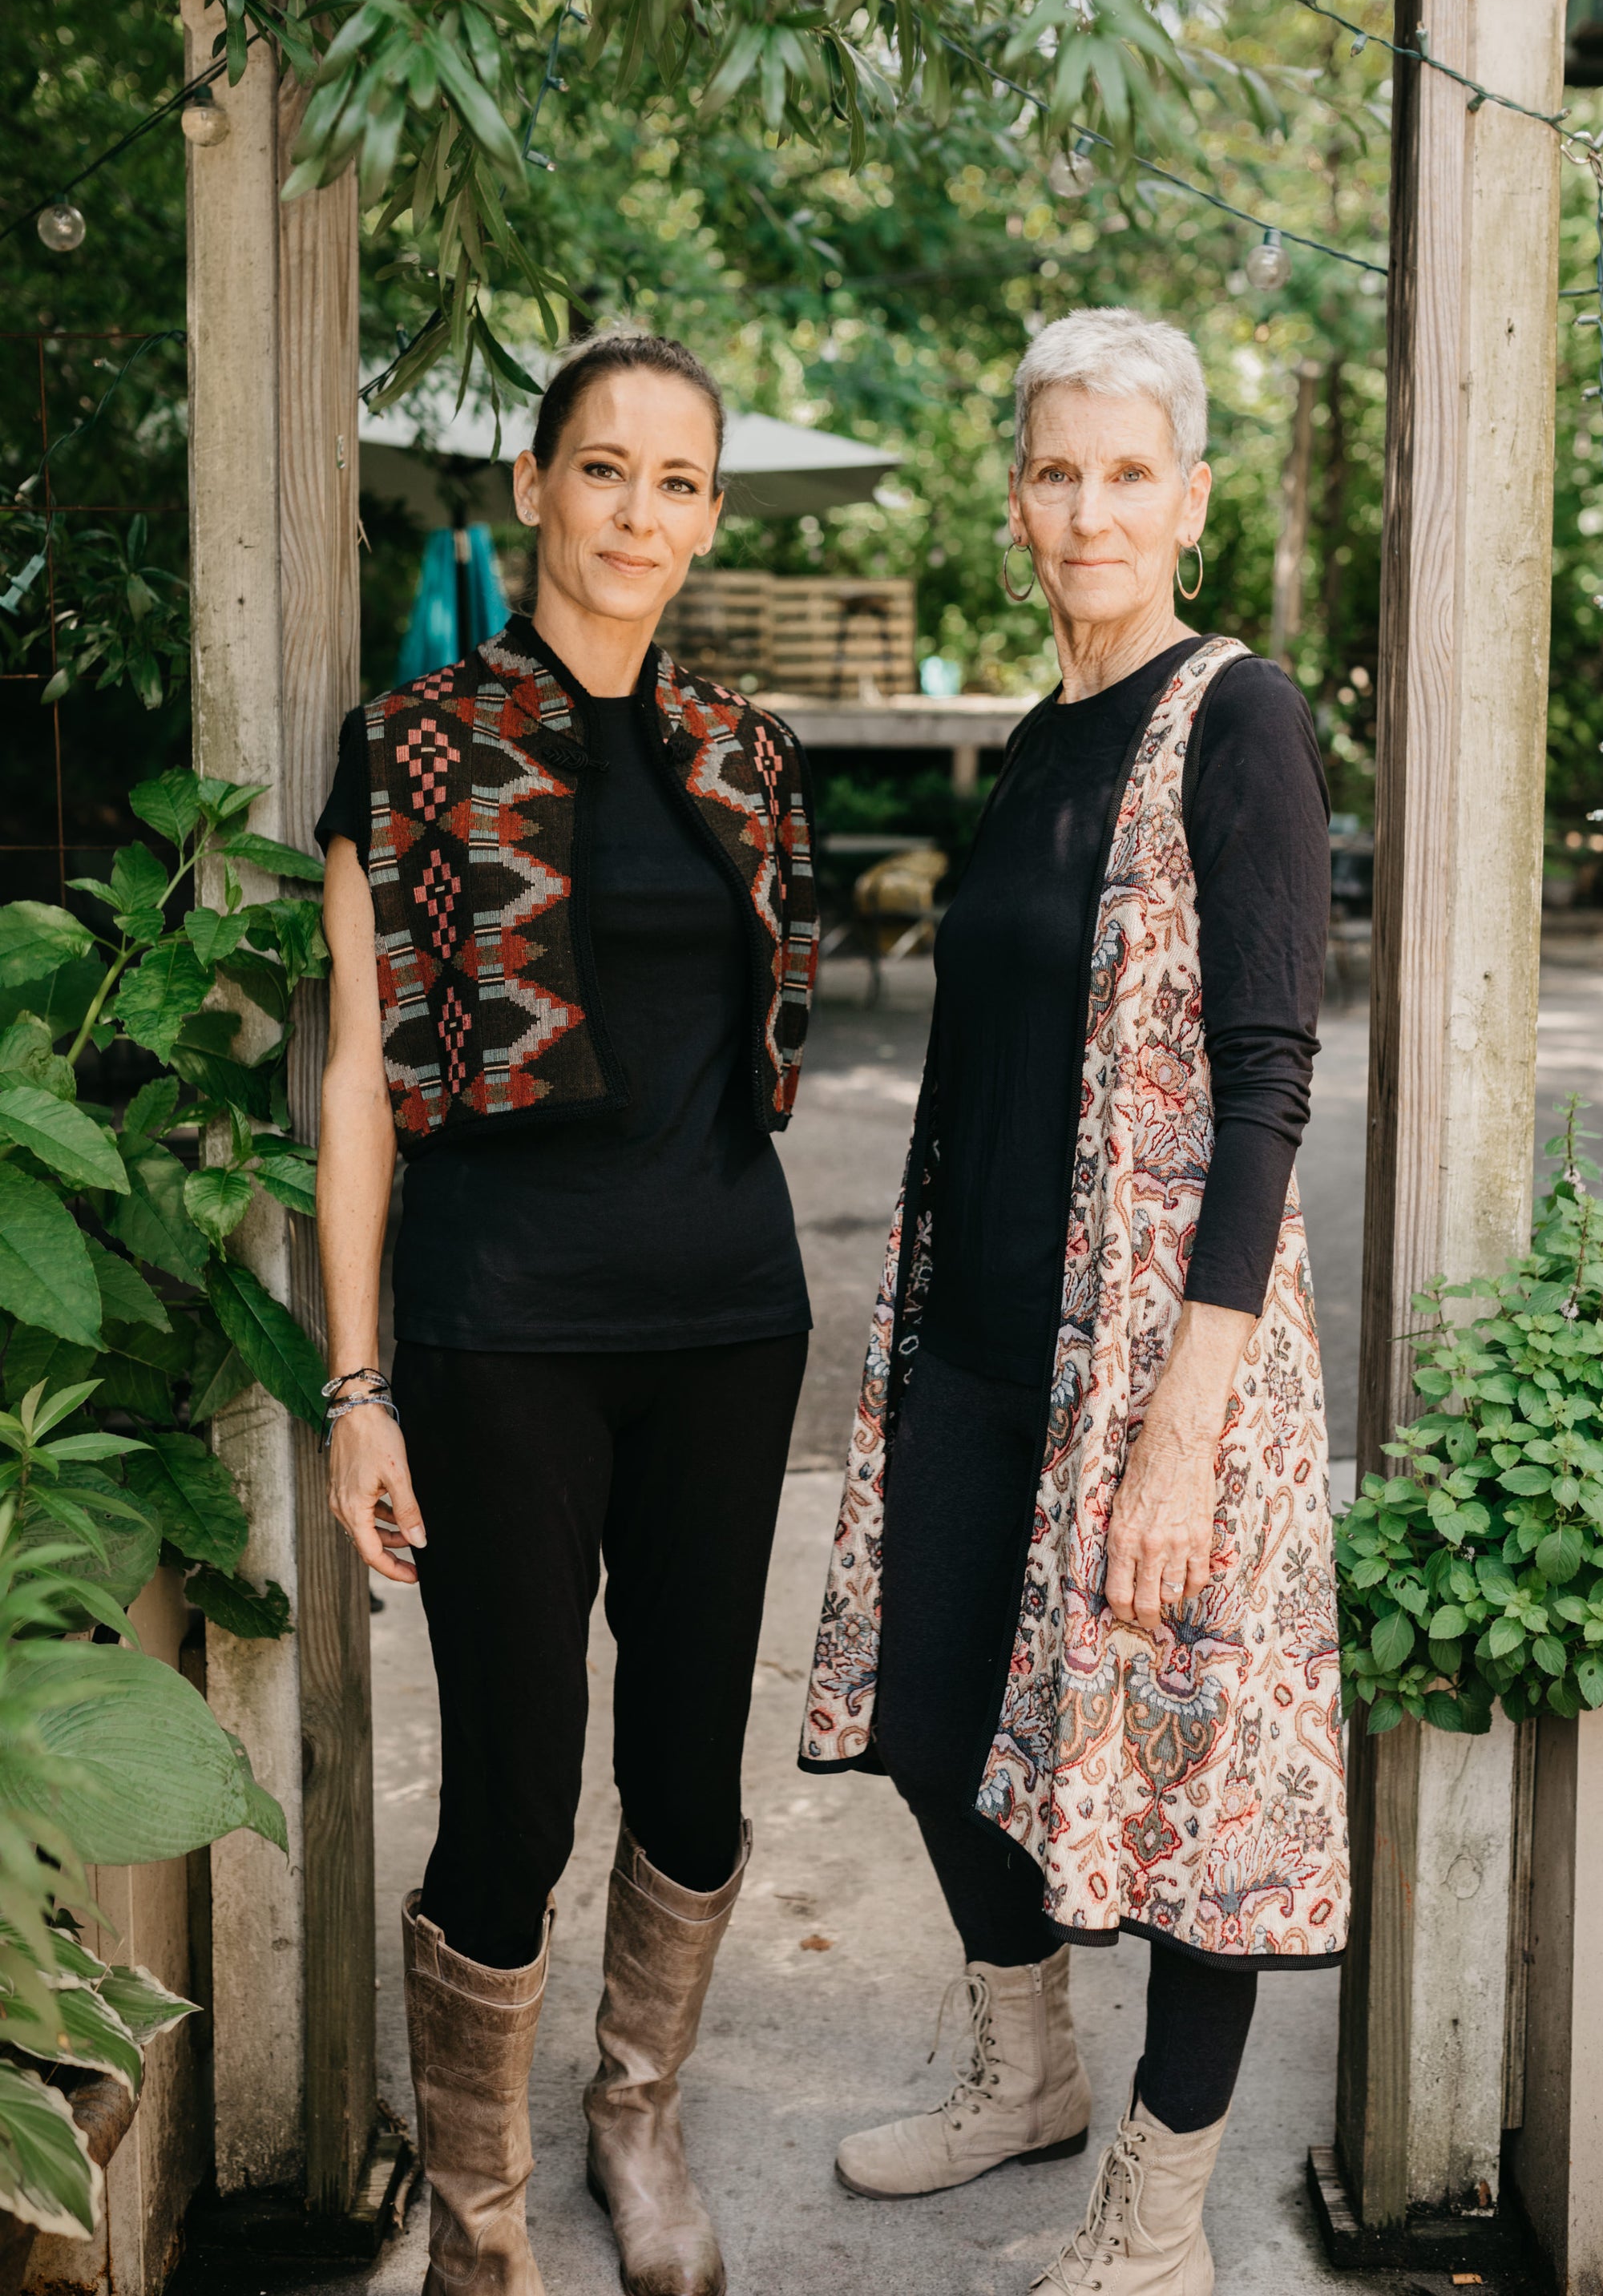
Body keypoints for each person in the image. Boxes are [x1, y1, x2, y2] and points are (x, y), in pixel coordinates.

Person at [801, 308, 1349, 2295]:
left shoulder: (1240, 720)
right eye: (1055, 470)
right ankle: (1023, 2067)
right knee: (936, 1722)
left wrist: (1187, 1424)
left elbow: (1270, 1077)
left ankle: (1161, 2209)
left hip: (1165, 1365)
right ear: (1015, 499)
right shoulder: (1036, 740)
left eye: (1129, 473)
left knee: (1199, 1791)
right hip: (981, 1348)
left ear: (1187, 503)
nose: (1088, 507)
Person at [316, 333, 818, 2296]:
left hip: (724, 1323)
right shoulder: (410, 739)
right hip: (495, 1329)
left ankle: (632, 2110)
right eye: (601, 470)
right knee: (515, 1781)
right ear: (531, 488)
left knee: (690, 1761)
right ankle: (483, 2217)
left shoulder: (745, 751)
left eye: (677, 481)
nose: (638, 512)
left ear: (707, 515)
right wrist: (357, 1386)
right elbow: (358, 1081)